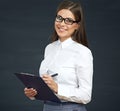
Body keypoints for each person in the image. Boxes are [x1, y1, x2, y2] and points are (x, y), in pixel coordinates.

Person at [24, 0, 93, 111]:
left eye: (68, 21)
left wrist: (57, 88)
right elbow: (47, 87)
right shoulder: (49, 48)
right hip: (47, 107)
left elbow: (86, 95)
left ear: (77, 26)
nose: (61, 24)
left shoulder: (83, 52)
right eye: (59, 18)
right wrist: (34, 93)